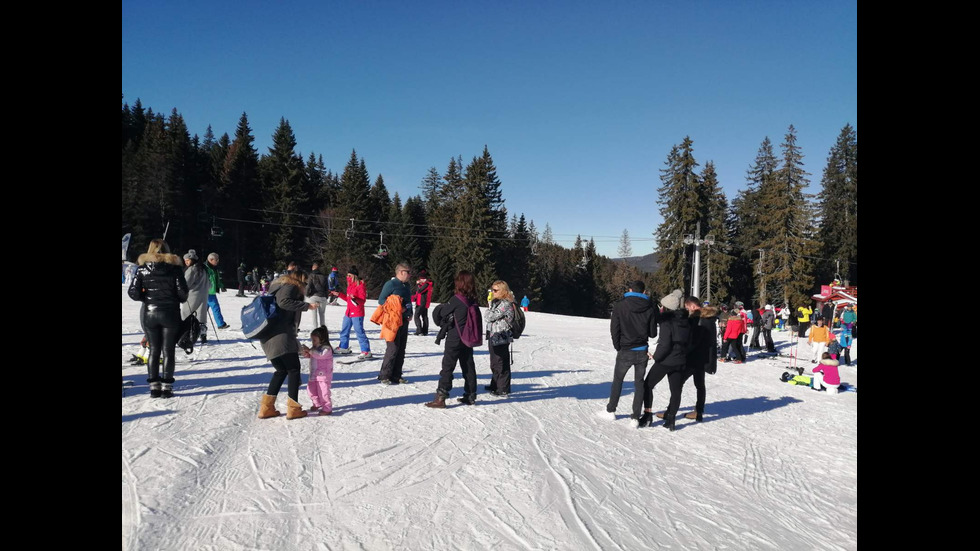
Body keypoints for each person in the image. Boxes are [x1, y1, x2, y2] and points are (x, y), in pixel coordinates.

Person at [127, 238, 188, 398]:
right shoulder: (174, 269)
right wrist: (172, 297)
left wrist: (146, 297)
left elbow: (133, 293)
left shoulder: (142, 269)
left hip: (150, 313)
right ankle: (167, 387)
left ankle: (154, 387)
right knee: (168, 351)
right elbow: (183, 294)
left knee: (154, 350)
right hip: (170, 314)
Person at [256, 270, 318, 420]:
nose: (305, 287)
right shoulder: (290, 287)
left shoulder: (276, 286)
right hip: (280, 336)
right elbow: (283, 302)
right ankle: (293, 409)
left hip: (268, 336)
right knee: (293, 369)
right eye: (305, 283)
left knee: (281, 370)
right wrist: (307, 306)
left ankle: (266, 408)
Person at [599, 280, 658, 424]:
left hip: (625, 350)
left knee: (618, 381)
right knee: (639, 383)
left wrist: (618, 346)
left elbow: (614, 329)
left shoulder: (620, 305)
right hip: (642, 350)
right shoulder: (650, 307)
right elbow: (652, 333)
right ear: (644, 292)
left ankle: (611, 410)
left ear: (630, 290)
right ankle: (635, 418)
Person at [636, 289, 692, 431]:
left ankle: (647, 414)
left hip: (666, 361)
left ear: (666, 308)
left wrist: (656, 357)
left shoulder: (667, 322)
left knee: (648, 385)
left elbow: (665, 344)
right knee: (676, 390)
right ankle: (671, 418)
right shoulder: (686, 321)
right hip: (680, 360)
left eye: (662, 306)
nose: (661, 308)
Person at [425, 270, 482, 407]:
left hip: (454, 338)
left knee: (448, 367)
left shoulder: (456, 299)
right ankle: (470, 395)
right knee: (468, 366)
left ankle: (441, 397)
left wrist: (442, 307)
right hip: (467, 338)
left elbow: (442, 313)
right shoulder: (472, 300)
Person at [676, 296, 718, 422]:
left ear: (693, 306)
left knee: (678, 381)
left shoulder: (700, 320)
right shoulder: (708, 318)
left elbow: (695, 341)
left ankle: (671, 410)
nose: (687, 310)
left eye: (688, 307)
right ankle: (699, 411)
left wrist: (684, 351)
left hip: (695, 358)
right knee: (700, 385)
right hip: (703, 358)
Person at [377, 262, 413, 384]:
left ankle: (396, 375)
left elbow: (408, 301)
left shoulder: (406, 286)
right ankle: (384, 376)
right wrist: (396, 309)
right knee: (392, 348)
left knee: (401, 349)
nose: (410, 275)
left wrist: (410, 313)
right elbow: (381, 300)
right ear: (401, 272)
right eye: (408, 272)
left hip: (404, 321)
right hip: (392, 322)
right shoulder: (391, 284)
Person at [330, 266, 371, 359]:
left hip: (357, 313)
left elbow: (362, 300)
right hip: (348, 312)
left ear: (354, 276)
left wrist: (355, 298)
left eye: (349, 275)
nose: (347, 277)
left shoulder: (360, 285)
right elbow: (348, 300)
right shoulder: (350, 286)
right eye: (347, 275)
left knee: (359, 331)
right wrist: (339, 294)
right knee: (344, 330)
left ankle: (366, 350)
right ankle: (343, 347)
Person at [485, 279, 517, 396]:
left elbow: (490, 316)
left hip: (501, 335)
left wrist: (488, 309)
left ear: (502, 291)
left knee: (500, 362)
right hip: (494, 334)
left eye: (495, 290)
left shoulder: (505, 303)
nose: (493, 292)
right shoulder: (497, 302)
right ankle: (495, 383)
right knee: (494, 361)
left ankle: (503, 388)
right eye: (492, 290)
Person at [300, 325, 334, 415]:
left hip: (323, 375)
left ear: (321, 339)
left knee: (323, 392)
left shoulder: (326, 349)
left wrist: (310, 351)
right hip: (314, 374)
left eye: (314, 340)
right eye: (312, 340)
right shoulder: (314, 348)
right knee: (311, 389)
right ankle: (316, 403)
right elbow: (312, 355)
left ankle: (327, 408)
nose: (313, 342)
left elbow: (320, 355)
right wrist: (306, 353)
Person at [180, 249, 210, 344]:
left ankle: (187, 335)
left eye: (187, 261)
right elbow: (210, 284)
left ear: (192, 260)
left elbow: (186, 283)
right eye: (185, 261)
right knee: (201, 316)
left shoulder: (192, 269)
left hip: (192, 296)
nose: (186, 262)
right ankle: (202, 334)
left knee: (186, 315)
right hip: (203, 295)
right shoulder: (203, 269)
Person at [205, 252, 230, 329]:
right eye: (216, 260)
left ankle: (197, 324)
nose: (217, 261)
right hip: (207, 292)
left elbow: (216, 280)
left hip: (211, 292)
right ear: (211, 259)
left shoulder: (214, 268)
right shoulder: (205, 268)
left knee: (203, 311)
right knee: (215, 308)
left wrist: (221, 286)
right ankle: (220, 324)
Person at [306, 262, 329, 331]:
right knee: (322, 313)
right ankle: (323, 328)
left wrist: (307, 294)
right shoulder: (324, 276)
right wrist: (326, 296)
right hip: (322, 296)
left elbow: (309, 286)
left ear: (313, 268)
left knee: (314, 314)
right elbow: (327, 287)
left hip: (314, 296)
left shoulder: (311, 275)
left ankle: (315, 328)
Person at [412, 269, 434, 336]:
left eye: (421, 279)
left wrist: (418, 285)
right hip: (422, 302)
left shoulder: (426, 284)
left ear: (424, 279)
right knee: (424, 316)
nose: (420, 280)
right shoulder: (426, 284)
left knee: (417, 316)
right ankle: (424, 331)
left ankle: (419, 330)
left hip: (422, 302)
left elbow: (420, 291)